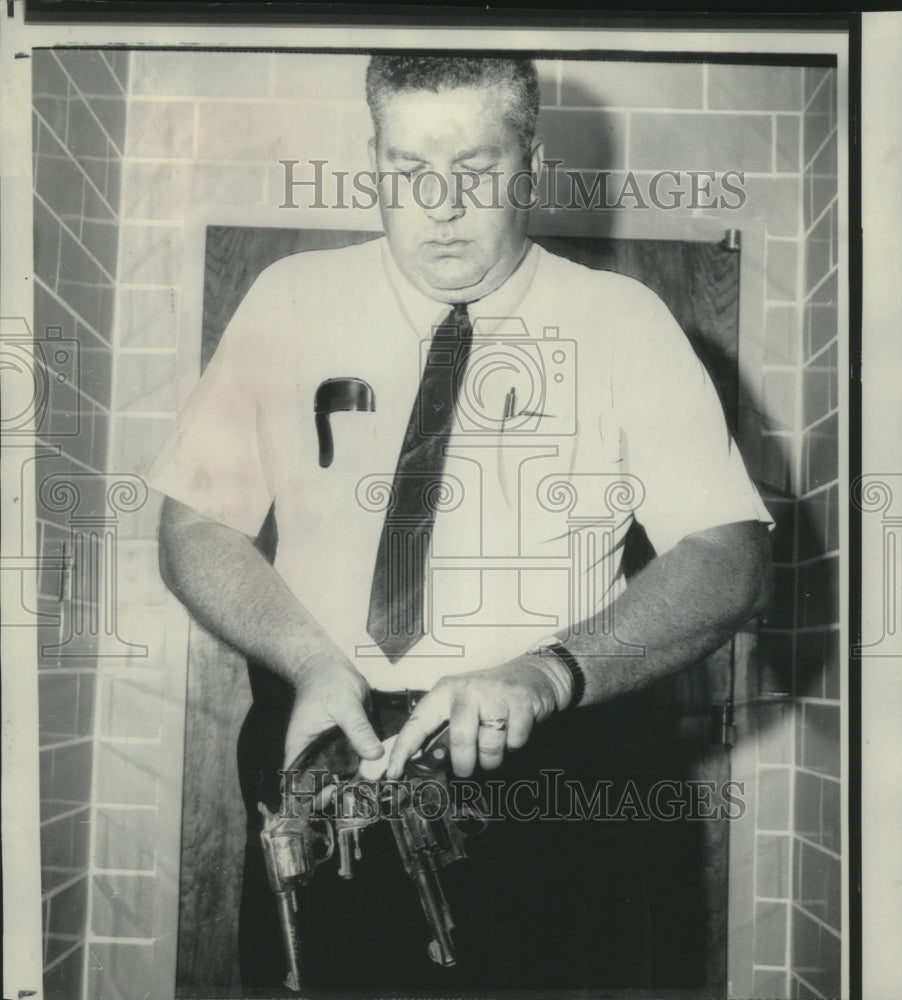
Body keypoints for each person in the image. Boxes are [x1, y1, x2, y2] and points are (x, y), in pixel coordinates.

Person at [151, 55, 773, 994]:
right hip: (322, 751)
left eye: (475, 170)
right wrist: (313, 661)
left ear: (532, 160)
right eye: (406, 170)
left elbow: (730, 555)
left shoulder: (624, 322)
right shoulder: (287, 300)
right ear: (373, 159)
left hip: (543, 771)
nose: (438, 205)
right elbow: (196, 521)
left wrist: (545, 673)